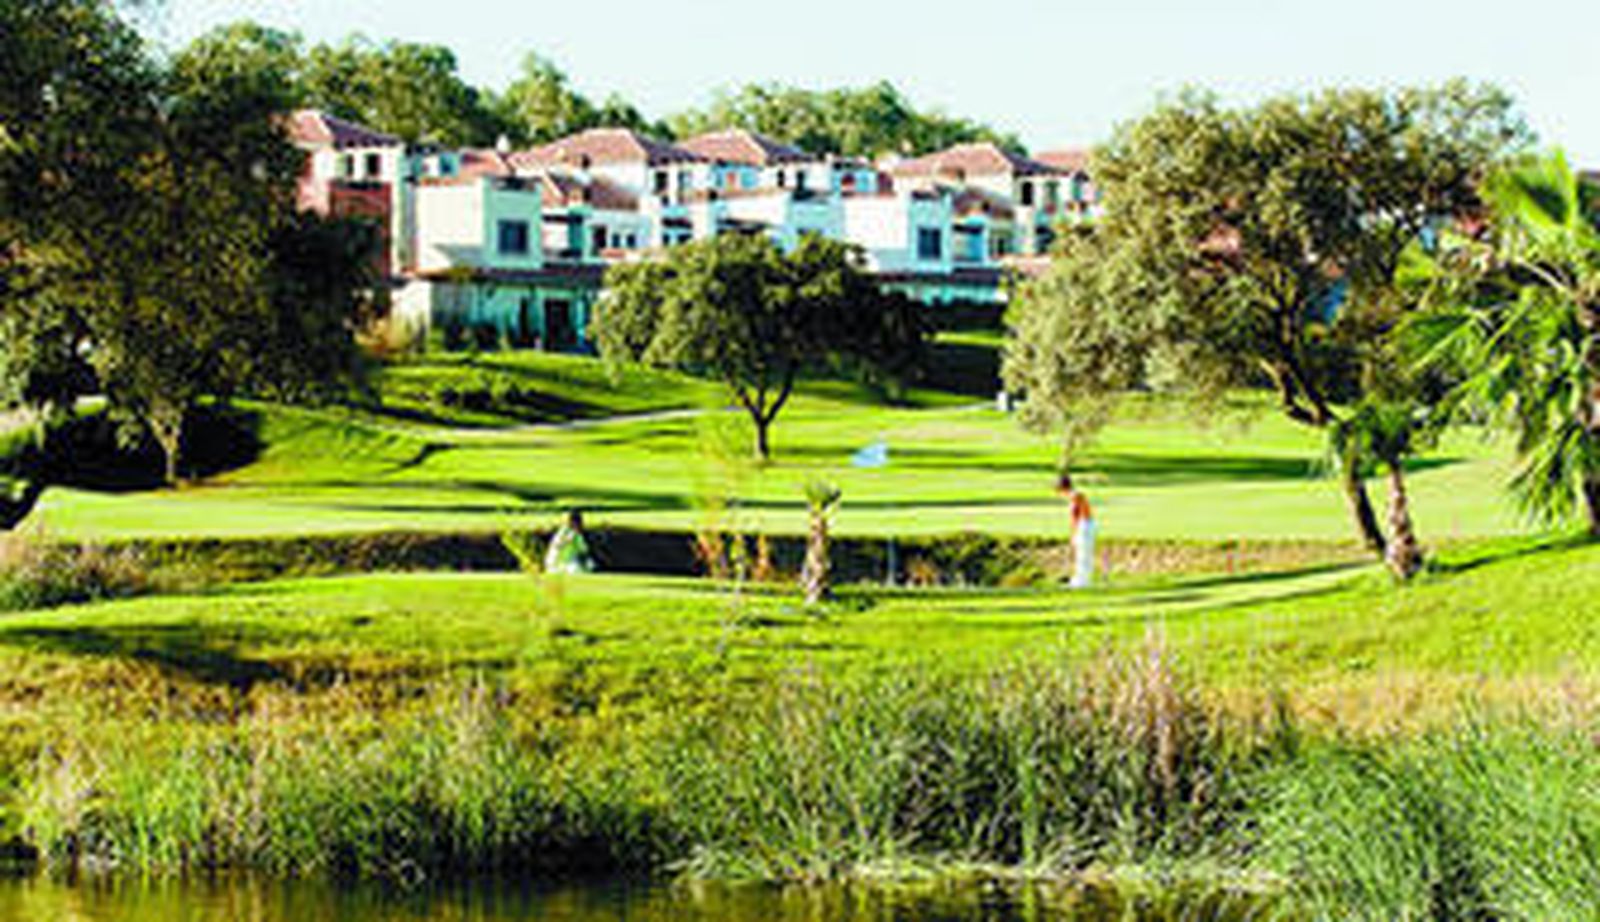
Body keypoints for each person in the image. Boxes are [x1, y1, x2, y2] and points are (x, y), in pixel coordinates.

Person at [1057, 473, 1096, 588]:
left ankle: (1081, 581)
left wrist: (1073, 534)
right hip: (1087, 525)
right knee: (1083, 553)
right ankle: (1081, 579)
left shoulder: (1075, 496)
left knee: (1082, 553)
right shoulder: (1076, 495)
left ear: (1063, 487)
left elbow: (1075, 517)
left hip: (1084, 525)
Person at [544, 509, 595, 574]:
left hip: (568, 561)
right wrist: (567, 540)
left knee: (589, 565)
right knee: (575, 569)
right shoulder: (564, 531)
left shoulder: (578, 535)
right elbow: (557, 546)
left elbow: (583, 550)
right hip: (557, 562)